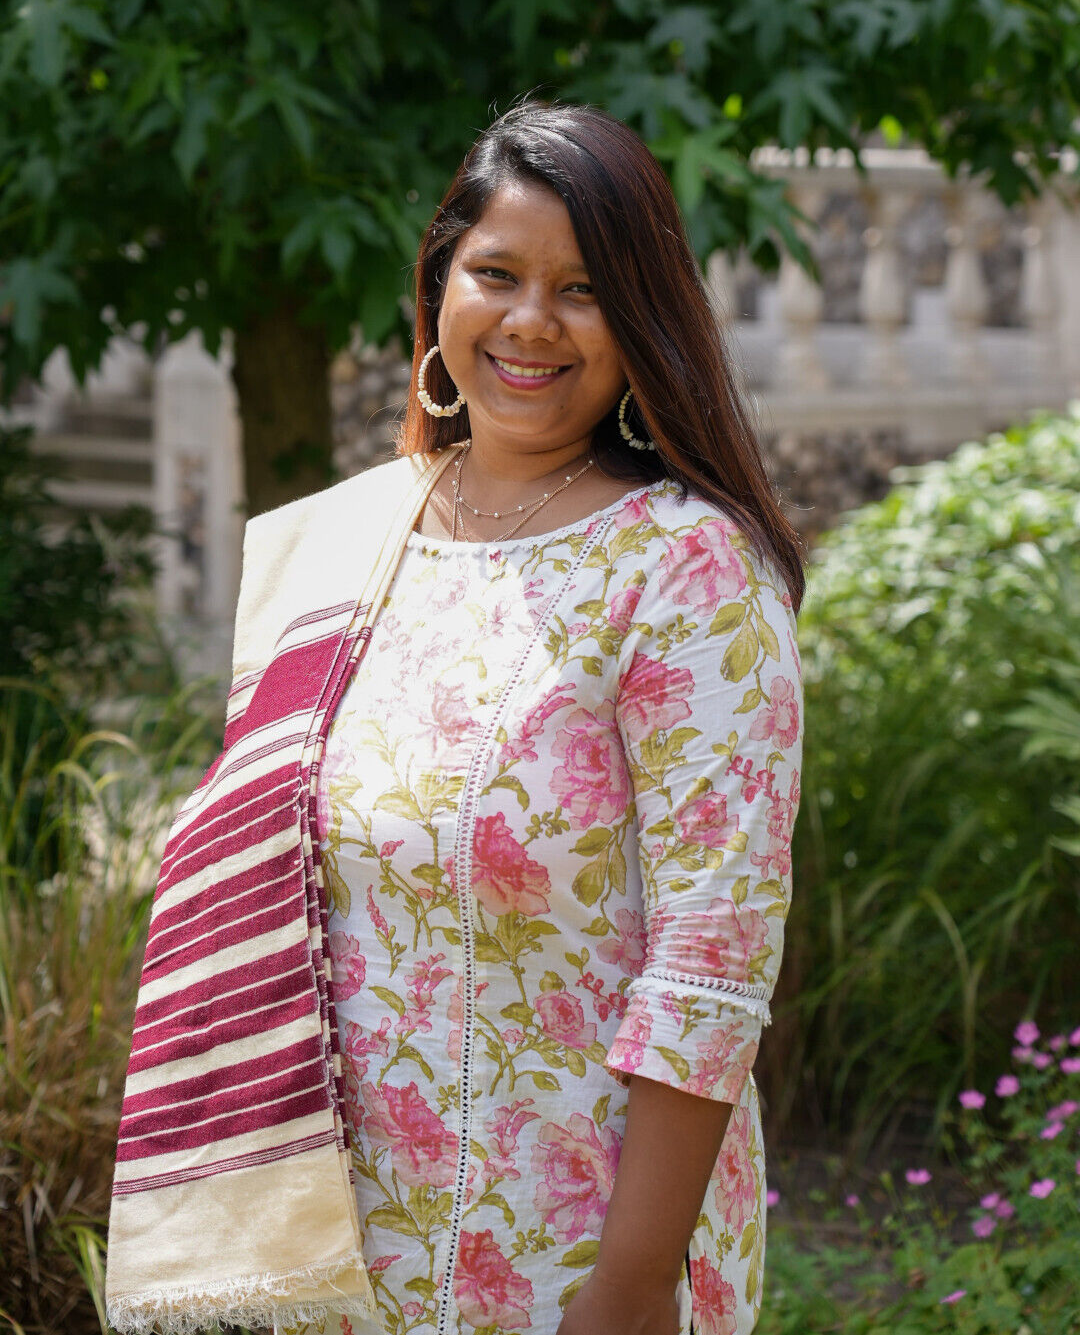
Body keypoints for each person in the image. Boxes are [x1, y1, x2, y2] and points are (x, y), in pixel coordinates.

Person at [103, 100, 805, 1335]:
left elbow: (713, 963)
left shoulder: (685, 570)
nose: (532, 320)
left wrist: (631, 1286)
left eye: (583, 289)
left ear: (643, 322)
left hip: (566, 1253)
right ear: (438, 291)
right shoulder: (345, 545)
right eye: (498, 274)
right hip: (319, 1250)